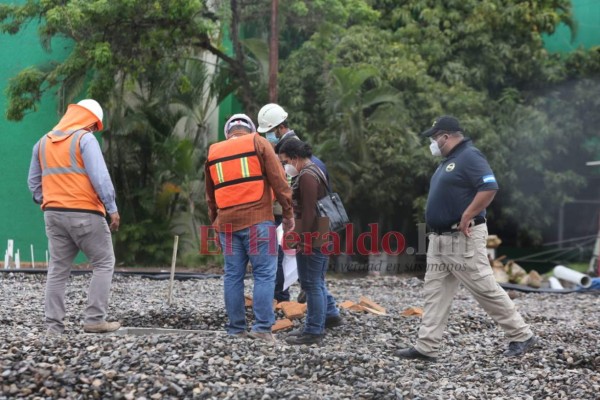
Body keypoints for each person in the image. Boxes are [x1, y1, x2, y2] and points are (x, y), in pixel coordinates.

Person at [396, 115, 537, 362]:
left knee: (484, 287)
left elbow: (490, 187)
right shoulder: (449, 160)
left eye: (434, 137)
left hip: (462, 237)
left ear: (446, 136)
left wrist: (468, 214)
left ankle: (522, 334)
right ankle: (426, 347)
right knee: (435, 292)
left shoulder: (470, 156)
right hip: (440, 239)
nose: (432, 142)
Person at [27, 99, 121, 335]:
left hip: (53, 215)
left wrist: (48, 201)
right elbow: (100, 177)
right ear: (88, 120)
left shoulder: (42, 142)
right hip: (85, 212)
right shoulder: (84, 139)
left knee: (58, 268)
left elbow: (33, 184)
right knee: (104, 262)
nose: (92, 129)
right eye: (93, 125)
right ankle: (94, 319)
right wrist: (112, 208)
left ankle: (53, 327)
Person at [205, 114, 294, 343]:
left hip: (226, 225)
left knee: (233, 275)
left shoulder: (214, 151)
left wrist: (215, 223)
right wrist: (288, 213)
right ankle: (262, 328)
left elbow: (210, 195)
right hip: (257, 222)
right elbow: (279, 180)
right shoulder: (258, 142)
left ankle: (236, 329)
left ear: (228, 132)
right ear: (250, 129)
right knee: (264, 273)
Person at [257, 103, 328, 304]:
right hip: (287, 212)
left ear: (280, 128)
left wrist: (297, 226)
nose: (267, 137)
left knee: (287, 260)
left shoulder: (292, 153)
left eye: (269, 132)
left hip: (288, 212)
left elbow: (292, 188)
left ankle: (282, 299)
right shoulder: (291, 149)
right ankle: (319, 304)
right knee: (305, 271)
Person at [277, 139, 342, 345]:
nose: (284, 166)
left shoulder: (306, 176)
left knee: (312, 284)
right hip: (319, 233)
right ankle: (315, 325)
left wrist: (303, 240)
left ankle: (314, 331)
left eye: (285, 161)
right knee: (314, 283)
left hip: (313, 236)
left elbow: (309, 212)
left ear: (295, 158)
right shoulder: (314, 170)